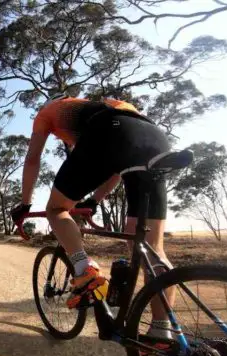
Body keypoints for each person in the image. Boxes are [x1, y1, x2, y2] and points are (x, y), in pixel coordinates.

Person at [10, 93, 175, 340]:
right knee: (149, 248)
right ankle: (163, 331)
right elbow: (117, 167)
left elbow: (33, 158)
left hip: (110, 132)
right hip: (155, 137)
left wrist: (25, 203)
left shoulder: (48, 111)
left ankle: (82, 266)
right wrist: (94, 200)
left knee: (56, 209)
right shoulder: (105, 105)